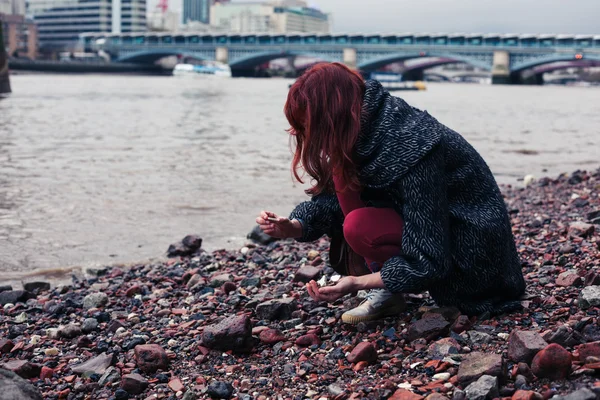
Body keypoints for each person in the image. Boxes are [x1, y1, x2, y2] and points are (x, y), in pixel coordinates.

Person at [256, 62, 525, 324]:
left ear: (333, 116)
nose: (309, 137)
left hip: (476, 263)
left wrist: (356, 283)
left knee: (358, 225)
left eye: (310, 128)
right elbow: (337, 199)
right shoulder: (367, 125)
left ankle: (386, 288)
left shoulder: (412, 143)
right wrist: (293, 226)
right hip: (443, 231)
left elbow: (428, 258)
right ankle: (390, 288)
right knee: (342, 175)